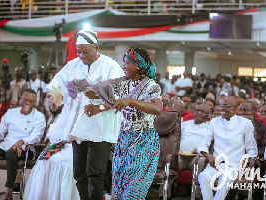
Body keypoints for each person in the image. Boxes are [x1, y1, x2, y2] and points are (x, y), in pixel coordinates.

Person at [46, 29, 124, 200]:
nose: (82, 55)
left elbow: (118, 97)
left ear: (96, 48)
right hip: (77, 127)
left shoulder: (111, 66)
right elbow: (58, 83)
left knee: (94, 174)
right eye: (79, 51)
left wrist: (99, 104)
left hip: (100, 128)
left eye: (86, 51)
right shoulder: (74, 64)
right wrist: (56, 97)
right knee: (79, 174)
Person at [88, 47, 162, 199]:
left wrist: (130, 101)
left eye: (127, 63)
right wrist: (99, 107)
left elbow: (158, 108)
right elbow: (115, 103)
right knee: (119, 187)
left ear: (139, 66)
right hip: (124, 140)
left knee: (133, 190)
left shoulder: (151, 86)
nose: (124, 66)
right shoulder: (125, 83)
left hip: (143, 142)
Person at [0, 89, 46, 200]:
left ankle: (9, 192)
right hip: (5, 146)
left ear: (35, 103)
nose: (28, 103)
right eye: (25, 100)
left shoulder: (39, 117)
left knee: (12, 152)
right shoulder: (11, 113)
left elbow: (36, 137)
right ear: (20, 100)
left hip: (26, 150)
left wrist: (22, 141)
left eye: (31, 101)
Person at [197, 96, 257, 200]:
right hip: (216, 164)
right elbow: (204, 143)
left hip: (234, 165)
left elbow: (252, 149)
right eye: (220, 105)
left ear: (236, 109)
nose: (221, 108)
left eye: (226, 106)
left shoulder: (246, 123)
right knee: (203, 176)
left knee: (224, 179)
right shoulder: (214, 122)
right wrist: (208, 155)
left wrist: (246, 159)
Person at [24, 103, 80, 200]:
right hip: (56, 145)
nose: (53, 104)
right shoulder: (51, 116)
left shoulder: (69, 111)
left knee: (65, 164)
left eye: (56, 101)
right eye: (51, 100)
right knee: (44, 160)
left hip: (73, 145)